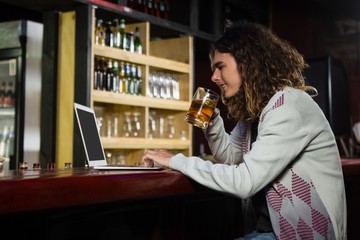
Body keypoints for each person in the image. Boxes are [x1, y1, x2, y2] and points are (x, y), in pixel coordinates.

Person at [141, 21, 347, 240]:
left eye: (220, 67)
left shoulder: (289, 106)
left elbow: (244, 181)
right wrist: (212, 125)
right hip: (269, 232)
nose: (214, 77)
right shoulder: (259, 112)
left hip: (304, 234)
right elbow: (230, 158)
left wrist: (176, 161)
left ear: (248, 63)